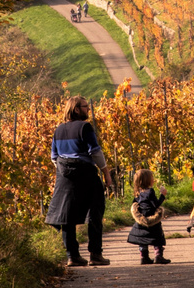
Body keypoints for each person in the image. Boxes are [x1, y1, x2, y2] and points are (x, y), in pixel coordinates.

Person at [45, 96, 111, 267]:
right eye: (85, 106)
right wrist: (106, 173)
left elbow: (53, 157)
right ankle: (95, 254)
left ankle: (72, 256)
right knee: (95, 212)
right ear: (76, 109)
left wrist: (65, 170)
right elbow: (95, 152)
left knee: (67, 216)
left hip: (65, 176)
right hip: (86, 174)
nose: (88, 109)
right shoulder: (85, 127)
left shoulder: (59, 129)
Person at [126, 168, 170, 265]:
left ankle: (144, 257)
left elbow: (135, 203)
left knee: (142, 237)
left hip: (141, 217)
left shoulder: (137, 192)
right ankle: (158, 256)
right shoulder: (150, 191)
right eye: (152, 178)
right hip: (151, 216)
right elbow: (155, 204)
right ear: (147, 180)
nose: (153, 180)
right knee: (157, 236)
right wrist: (162, 195)